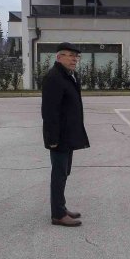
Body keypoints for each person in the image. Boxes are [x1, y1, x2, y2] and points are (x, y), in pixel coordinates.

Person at [42, 42, 90, 227]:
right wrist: (52, 139)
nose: (74, 59)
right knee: (59, 174)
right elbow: (49, 111)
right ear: (58, 57)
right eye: (70, 55)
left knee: (64, 173)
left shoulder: (69, 76)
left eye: (76, 56)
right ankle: (58, 215)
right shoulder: (54, 78)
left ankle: (61, 208)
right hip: (59, 137)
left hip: (68, 135)